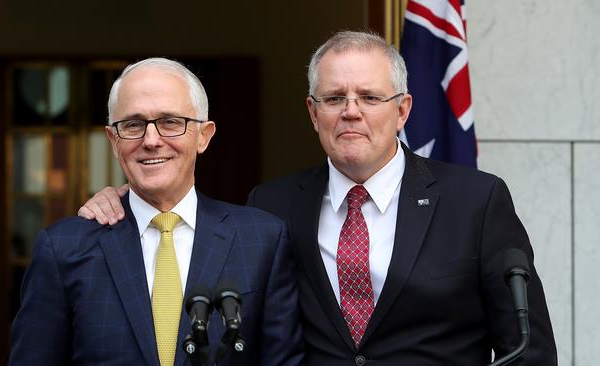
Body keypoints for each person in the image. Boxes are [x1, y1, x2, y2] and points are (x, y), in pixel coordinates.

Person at [80, 32, 557, 365]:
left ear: (403, 110)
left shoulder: (476, 200)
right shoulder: (271, 205)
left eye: (369, 97)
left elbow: (528, 350)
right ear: (313, 112)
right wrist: (126, 196)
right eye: (333, 98)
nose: (350, 112)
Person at [10, 58, 303, 365]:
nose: (151, 140)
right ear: (113, 139)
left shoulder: (261, 240)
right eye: (133, 124)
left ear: (204, 135)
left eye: (170, 122)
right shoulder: (64, 248)